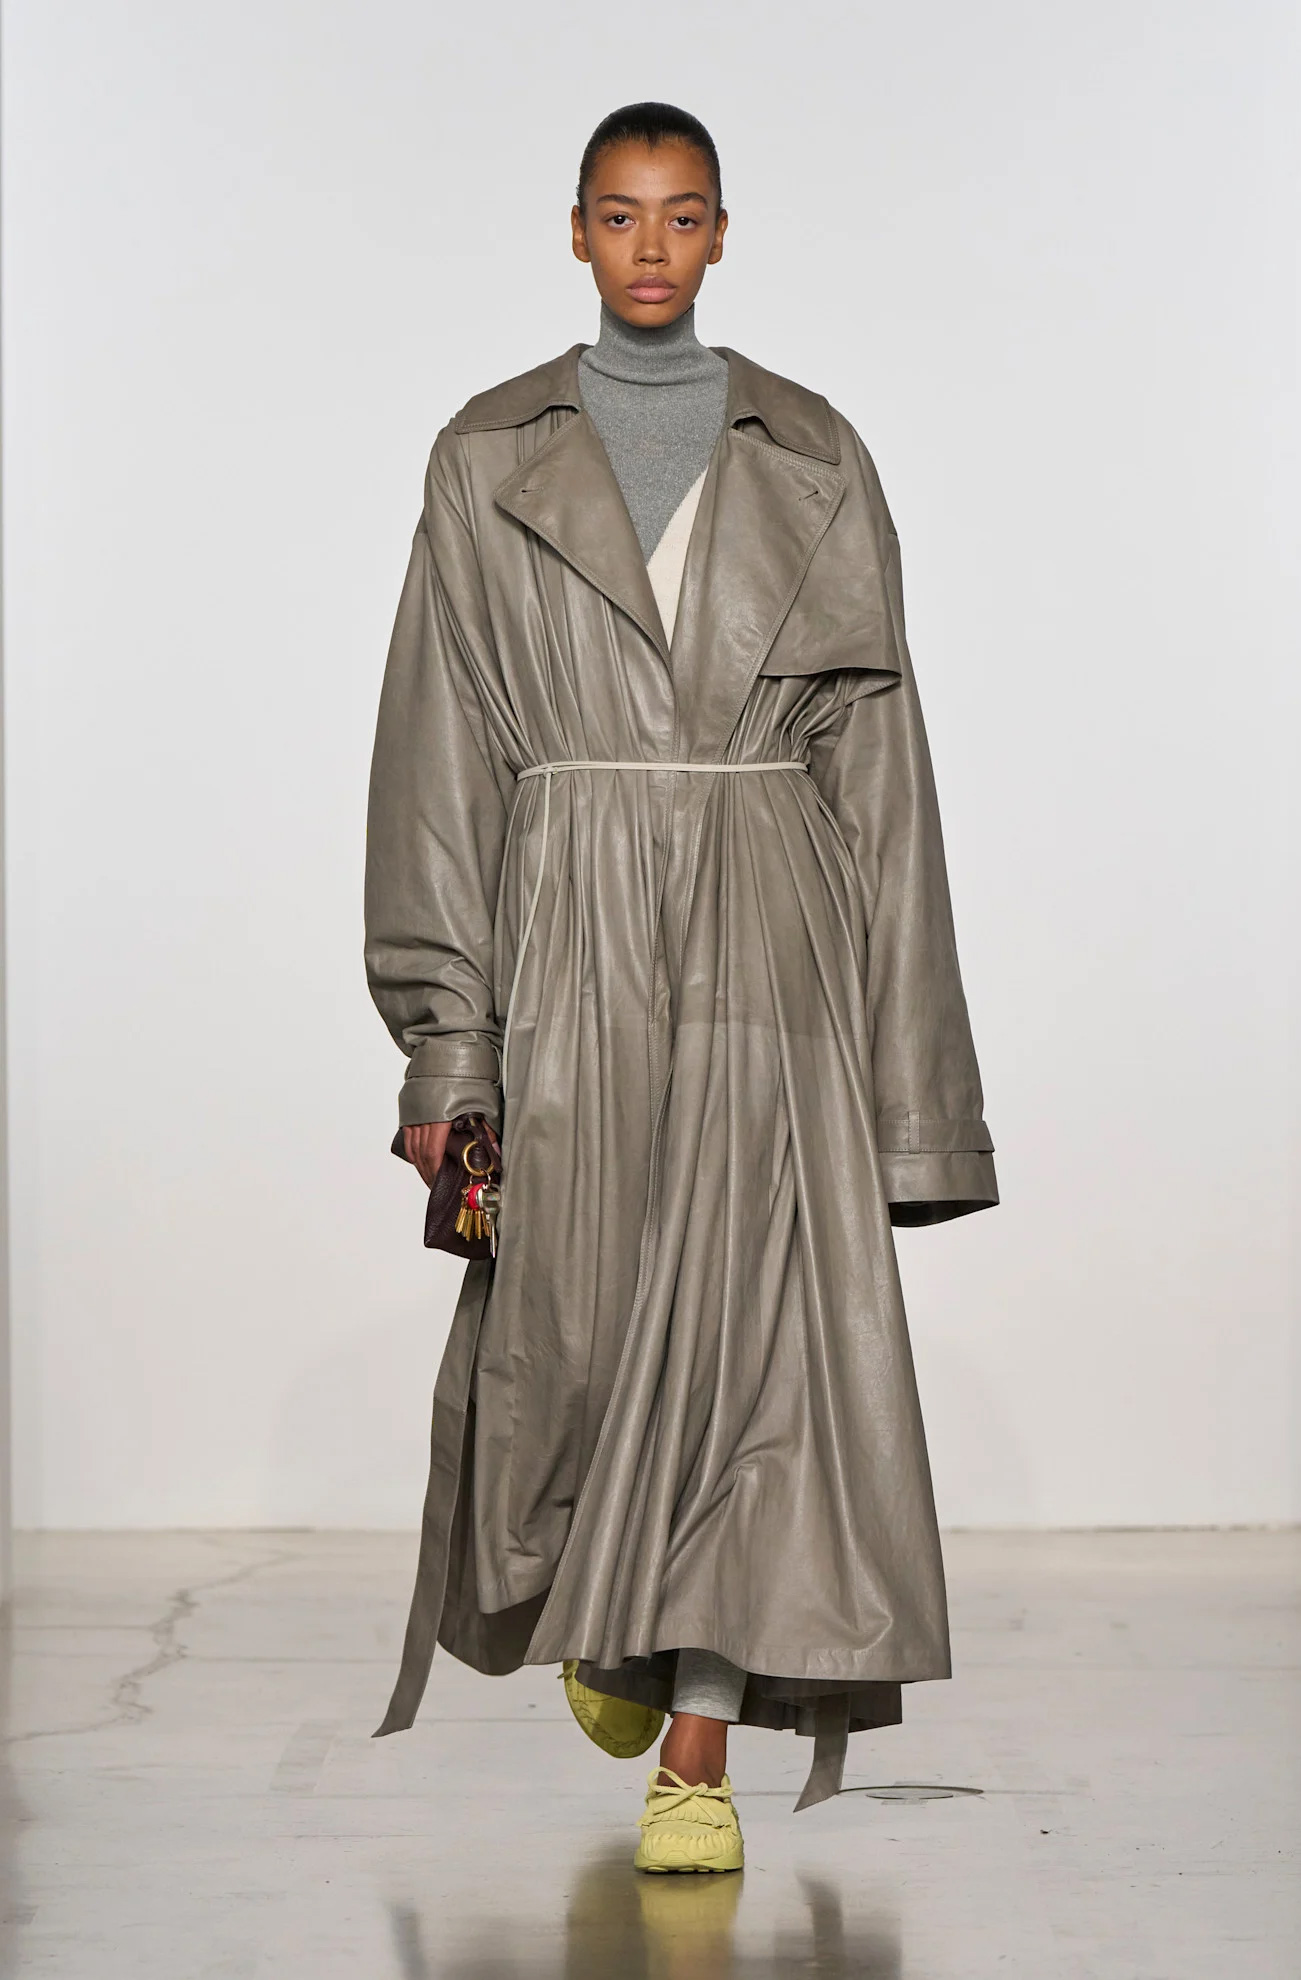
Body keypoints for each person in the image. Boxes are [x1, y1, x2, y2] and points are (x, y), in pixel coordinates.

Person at [365, 101, 997, 1875]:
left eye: (685, 214)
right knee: (571, 1343)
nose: (653, 245)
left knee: (766, 1351)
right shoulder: (486, 454)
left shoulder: (817, 451)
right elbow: (439, 758)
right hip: (566, 934)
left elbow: (886, 782)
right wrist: (448, 1052)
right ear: (577, 232)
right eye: (622, 214)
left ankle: (697, 1746)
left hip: (770, 940)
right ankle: (617, 1621)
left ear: (723, 234)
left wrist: (911, 1092)